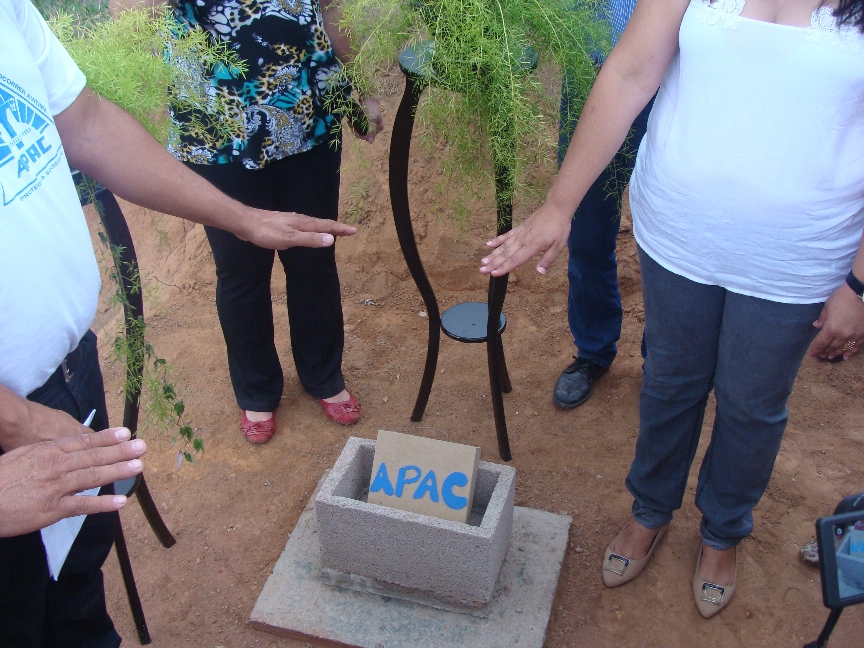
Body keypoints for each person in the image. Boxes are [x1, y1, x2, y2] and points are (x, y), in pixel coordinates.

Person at [480, 0, 864, 618]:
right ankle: (650, 509)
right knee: (668, 380)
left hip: (799, 258)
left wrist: (859, 285)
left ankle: (722, 532)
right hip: (680, 235)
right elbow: (630, 73)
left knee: (752, 405)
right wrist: (559, 205)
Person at [0, 0, 354, 644]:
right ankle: (257, 390)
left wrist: (243, 218)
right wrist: (15, 419)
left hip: (67, 376)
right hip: (16, 421)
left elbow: (86, 123)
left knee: (77, 598)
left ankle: (320, 372)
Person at [111, 0, 384, 444]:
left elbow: (331, 11)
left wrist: (364, 87)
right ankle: (256, 390)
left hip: (308, 117)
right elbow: (129, 24)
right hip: (218, 134)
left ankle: (323, 376)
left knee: (314, 255)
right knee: (241, 270)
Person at [553, 0, 653, 410]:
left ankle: (662, 364)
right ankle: (593, 350)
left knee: (670, 238)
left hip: (681, 83)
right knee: (588, 229)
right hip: (593, 68)